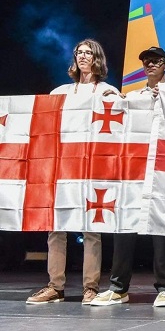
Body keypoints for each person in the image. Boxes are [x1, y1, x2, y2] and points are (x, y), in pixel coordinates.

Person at [26, 38, 119, 305]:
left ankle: (90, 287)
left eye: (88, 53)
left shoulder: (108, 91)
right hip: (63, 168)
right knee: (56, 225)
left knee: (91, 227)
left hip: (93, 167)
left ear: (97, 58)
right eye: (79, 52)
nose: (83, 56)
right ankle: (55, 286)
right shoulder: (59, 92)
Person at [90, 46, 165, 308]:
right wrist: (113, 99)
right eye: (146, 61)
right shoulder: (132, 96)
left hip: (164, 169)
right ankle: (118, 288)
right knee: (124, 224)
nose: (150, 64)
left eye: (156, 60)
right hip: (133, 171)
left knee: (161, 228)